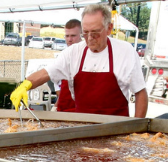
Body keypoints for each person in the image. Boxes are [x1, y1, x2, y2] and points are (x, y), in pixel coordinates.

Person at [11, 4, 148, 118]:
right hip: (82, 128)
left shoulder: (125, 51)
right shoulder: (74, 52)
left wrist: (136, 128)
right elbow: (47, 72)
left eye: (95, 32)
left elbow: (140, 92)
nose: (89, 38)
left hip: (117, 131)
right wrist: (25, 85)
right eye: (85, 32)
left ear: (109, 29)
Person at [55, 19, 82, 112]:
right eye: (67, 36)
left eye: (73, 36)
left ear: (81, 35)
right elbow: (58, 87)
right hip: (64, 108)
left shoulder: (88, 54)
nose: (69, 39)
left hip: (82, 110)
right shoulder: (62, 56)